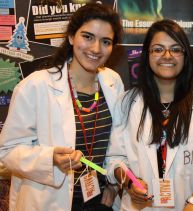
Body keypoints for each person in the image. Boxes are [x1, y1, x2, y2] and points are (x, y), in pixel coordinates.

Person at [0, 3, 124, 211]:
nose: (95, 48)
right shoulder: (35, 85)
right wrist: (50, 159)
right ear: (70, 37)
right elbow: (7, 151)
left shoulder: (113, 82)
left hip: (100, 202)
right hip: (49, 201)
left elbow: (118, 145)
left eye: (105, 41)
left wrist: (113, 186)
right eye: (87, 37)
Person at [105, 19, 193, 211]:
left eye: (176, 49)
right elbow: (115, 158)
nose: (167, 56)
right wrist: (130, 183)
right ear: (147, 55)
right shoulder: (127, 103)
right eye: (158, 49)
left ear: (185, 56)